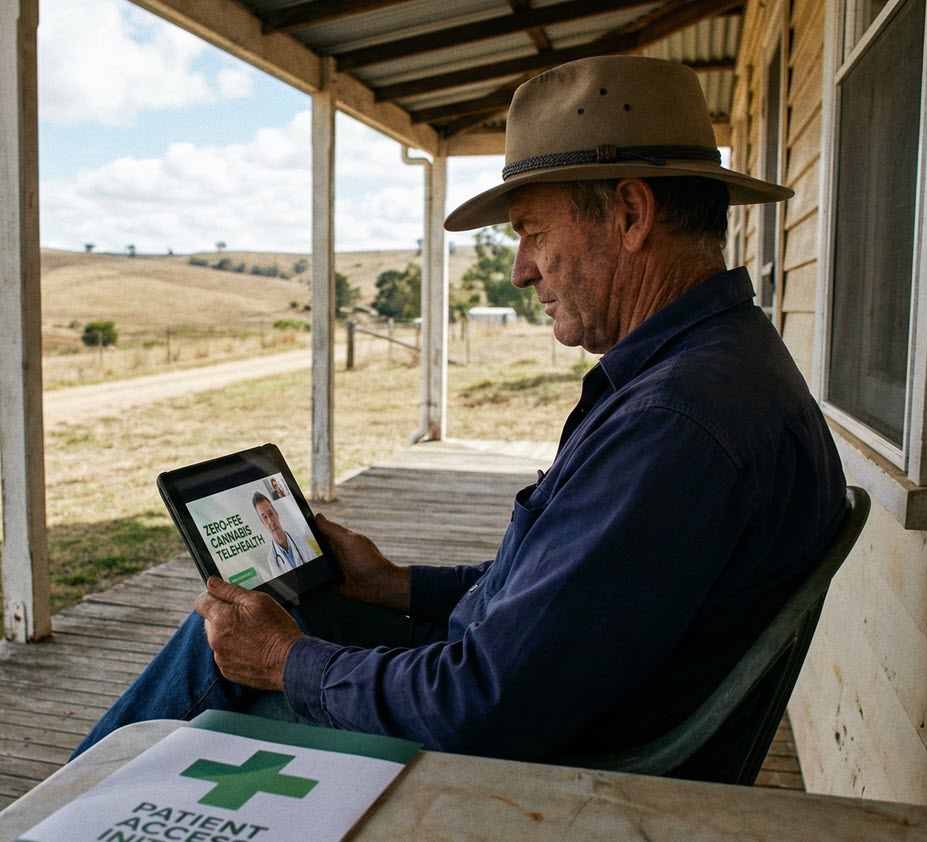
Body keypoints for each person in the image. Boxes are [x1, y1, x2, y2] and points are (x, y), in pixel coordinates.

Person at [71, 56, 846, 780]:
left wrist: (283, 663)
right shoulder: (718, 366)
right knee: (269, 614)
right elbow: (561, 595)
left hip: (547, 767)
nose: (519, 270)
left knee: (222, 652)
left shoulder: (674, 424)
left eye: (532, 232)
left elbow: (481, 707)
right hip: (547, 705)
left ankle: (63, 812)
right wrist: (395, 585)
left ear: (630, 213)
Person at [253, 492, 316, 577]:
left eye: (271, 513)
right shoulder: (272, 559)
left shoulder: (300, 542)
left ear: (276, 513)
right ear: (262, 523)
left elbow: (319, 568)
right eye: (264, 517)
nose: (271, 521)